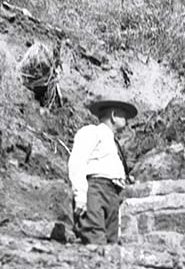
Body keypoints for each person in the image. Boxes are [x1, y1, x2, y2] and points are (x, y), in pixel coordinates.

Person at [54, 97, 137, 245]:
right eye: (123, 114)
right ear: (113, 115)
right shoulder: (92, 132)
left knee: (111, 243)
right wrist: (80, 196)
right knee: (95, 238)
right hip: (96, 191)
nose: (127, 120)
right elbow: (77, 162)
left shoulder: (114, 143)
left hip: (112, 194)